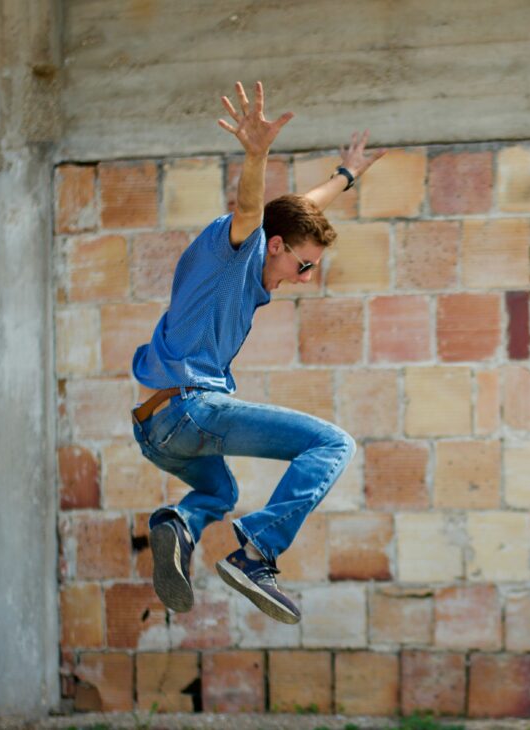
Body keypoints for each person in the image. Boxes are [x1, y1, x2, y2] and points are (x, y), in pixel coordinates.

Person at [129, 81, 385, 624]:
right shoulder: (235, 250)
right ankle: (256, 555)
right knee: (332, 444)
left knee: (218, 493)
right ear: (275, 246)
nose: (304, 278)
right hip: (191, 409)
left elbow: (299, 210)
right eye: (304, 266)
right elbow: (251, 209)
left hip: (155, 428)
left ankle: (179, 524)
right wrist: (257, 154)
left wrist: (345, 175)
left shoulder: (263, 251)